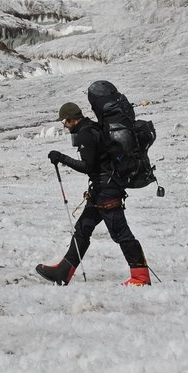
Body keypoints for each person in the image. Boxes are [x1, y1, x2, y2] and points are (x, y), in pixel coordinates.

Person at [37, 101, 150, 286]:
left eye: (64, 122)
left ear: (72, 120)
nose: (64, 126)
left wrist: (62, 158)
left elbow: (89, 167)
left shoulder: (86, 134)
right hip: (101, 190)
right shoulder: (92, 128)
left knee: (121, 233)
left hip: (107, 191)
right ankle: (63, 272)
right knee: (83, 228)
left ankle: (141, 277)